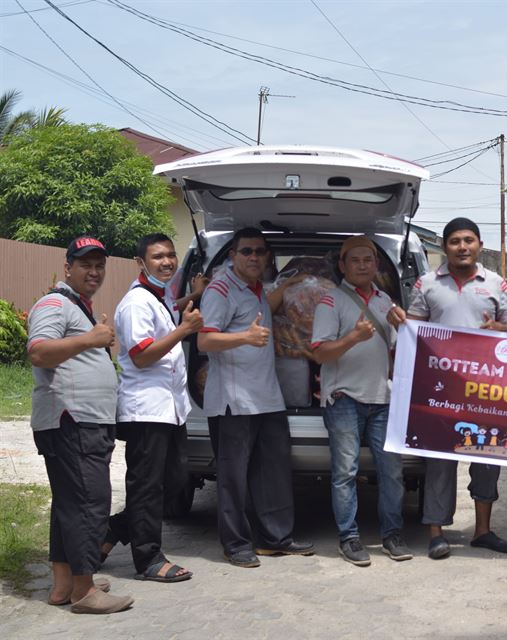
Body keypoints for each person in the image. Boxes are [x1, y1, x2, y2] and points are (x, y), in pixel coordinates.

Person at [387, 217, 507, 560]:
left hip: (486, 390)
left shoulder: (496, 283)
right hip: (441, 390)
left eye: (468, 240)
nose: (463, 247)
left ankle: (483, 531)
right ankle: (436, 533)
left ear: (480, 245)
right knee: (439, 461)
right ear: (445, 247)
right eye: (455, 241)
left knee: (488, 457)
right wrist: (401, 322)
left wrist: (498, 328)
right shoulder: (427, 283)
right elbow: (414, 330)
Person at [27, 237, 134, 614]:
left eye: (99, 265)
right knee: (89, 503)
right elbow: (39, 352)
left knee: (70, 504)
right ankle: (85, 591)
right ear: (67, 267)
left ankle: (64, 585)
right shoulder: (54, 303)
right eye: (85, 264)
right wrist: (91, 340)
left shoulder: (76, 307)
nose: (94, 272)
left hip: (83, 422)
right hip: (71, 421)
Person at [197, 227, 314, 568]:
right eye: (246, 251)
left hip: (267, 398)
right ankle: (235, 545)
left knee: (273, 473)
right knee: (233, 479)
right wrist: (245, 337)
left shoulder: (259, 288)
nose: (253, 257)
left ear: (267, 258)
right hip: (234, 402)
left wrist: (292, 285)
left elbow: (270, 305)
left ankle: (276, 539)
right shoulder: (220, 290)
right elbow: (204, 341)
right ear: (233, 255)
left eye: (260, 251)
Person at [99, 233, 202, 583]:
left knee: (174, 482)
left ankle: (113, 529)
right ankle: (148, 559)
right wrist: (184, 330)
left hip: (170, 409)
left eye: (170, 255)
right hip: (146, 409)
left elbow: (171, 309)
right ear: (140, 262)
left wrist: (194, 294)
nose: (167, 262)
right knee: (147, 486)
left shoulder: (159, 296)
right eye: (158, 257)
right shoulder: (135, 303)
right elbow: (142, 356)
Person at [310, 236, 412, 566]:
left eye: (368, 259)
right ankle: (349, 538)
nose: (362, 265)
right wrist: (353, 337)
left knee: (392, 472)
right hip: (344, 398)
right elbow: (320, 353)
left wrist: (405, 326)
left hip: (383, 398)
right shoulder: (331, 301)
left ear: (376, 264)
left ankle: (392, 535)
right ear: (342, 266)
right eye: (355, 260)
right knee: (345, 473)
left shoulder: (385, 302)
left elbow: (398, 352)